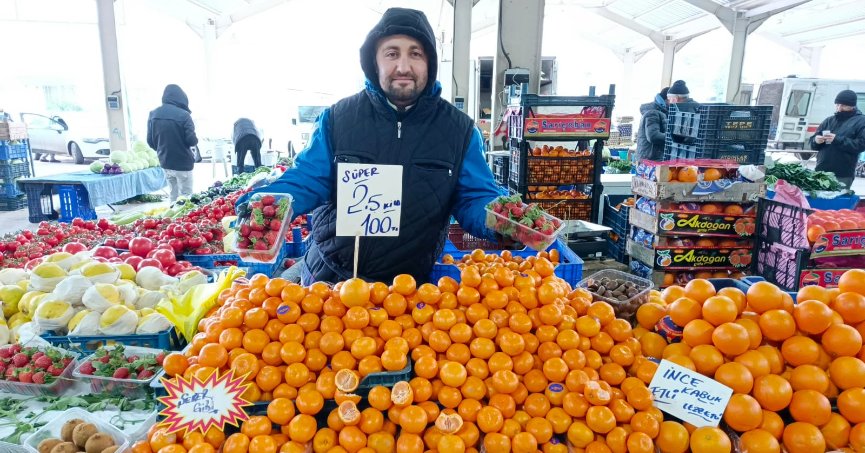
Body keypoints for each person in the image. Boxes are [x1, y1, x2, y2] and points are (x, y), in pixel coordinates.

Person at [240, 7, 504, 285]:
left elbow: (475, 196)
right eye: (392, 53)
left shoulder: (459, 130)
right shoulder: (338, 119)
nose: (403, 66)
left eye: (415, 54)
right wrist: (270, 203)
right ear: (373, 62)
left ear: (430, 62)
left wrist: (501, 220)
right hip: (329, 280)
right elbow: (307, 179)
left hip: (409, 290)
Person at [147, 84, 198, 202]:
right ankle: (185, 220)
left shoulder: (153, 114)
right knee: (186, 197)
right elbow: (191, 140)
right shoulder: (184, 115)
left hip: (165, 161)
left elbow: (150, 141)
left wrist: (162, 149)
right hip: (183, 162)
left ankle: (172, 219)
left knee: (173, 196)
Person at [809, 90, 865, 189]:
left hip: (842, 174)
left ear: (852, 106)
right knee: (818, 202)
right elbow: (813, 142)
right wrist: (816, 141)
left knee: (837, 202)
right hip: (821, 170)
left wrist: (837, 139)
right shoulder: (829, 120)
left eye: (843, 106)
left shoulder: (861, 121)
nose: (839, 108)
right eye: (837, 105)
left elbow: (861, 145)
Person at [636, 87, 669, 161]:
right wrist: (672, 137)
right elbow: (653, 136)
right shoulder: (653, 112)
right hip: (650, 158)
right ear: (667, 99)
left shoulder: (661, 111)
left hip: (651, 157)